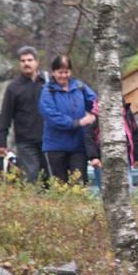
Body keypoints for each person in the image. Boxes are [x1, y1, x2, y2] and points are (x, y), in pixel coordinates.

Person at [38, 54, 98, 184]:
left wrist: (94, 114)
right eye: (60, 72)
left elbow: (95, 102)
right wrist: (77, 123)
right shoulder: (47, 91)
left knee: (79, 184)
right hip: (55, 147)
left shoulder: (80, 87)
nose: (64, 76)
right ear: (53, 72)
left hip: (78, 147)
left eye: (66, 72)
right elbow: (51, 116)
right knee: (58, 186)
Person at [0, 46, 47, 183]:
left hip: (49, 139)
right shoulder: (14, 87)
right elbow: (5, 116)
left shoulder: (48, 83)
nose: (26, 63)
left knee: (50, 179)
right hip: (26, 141)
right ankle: (32, 204)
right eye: (23, 61)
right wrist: (1, 141)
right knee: (31, 177)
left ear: (37, 62)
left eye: (30, 60)